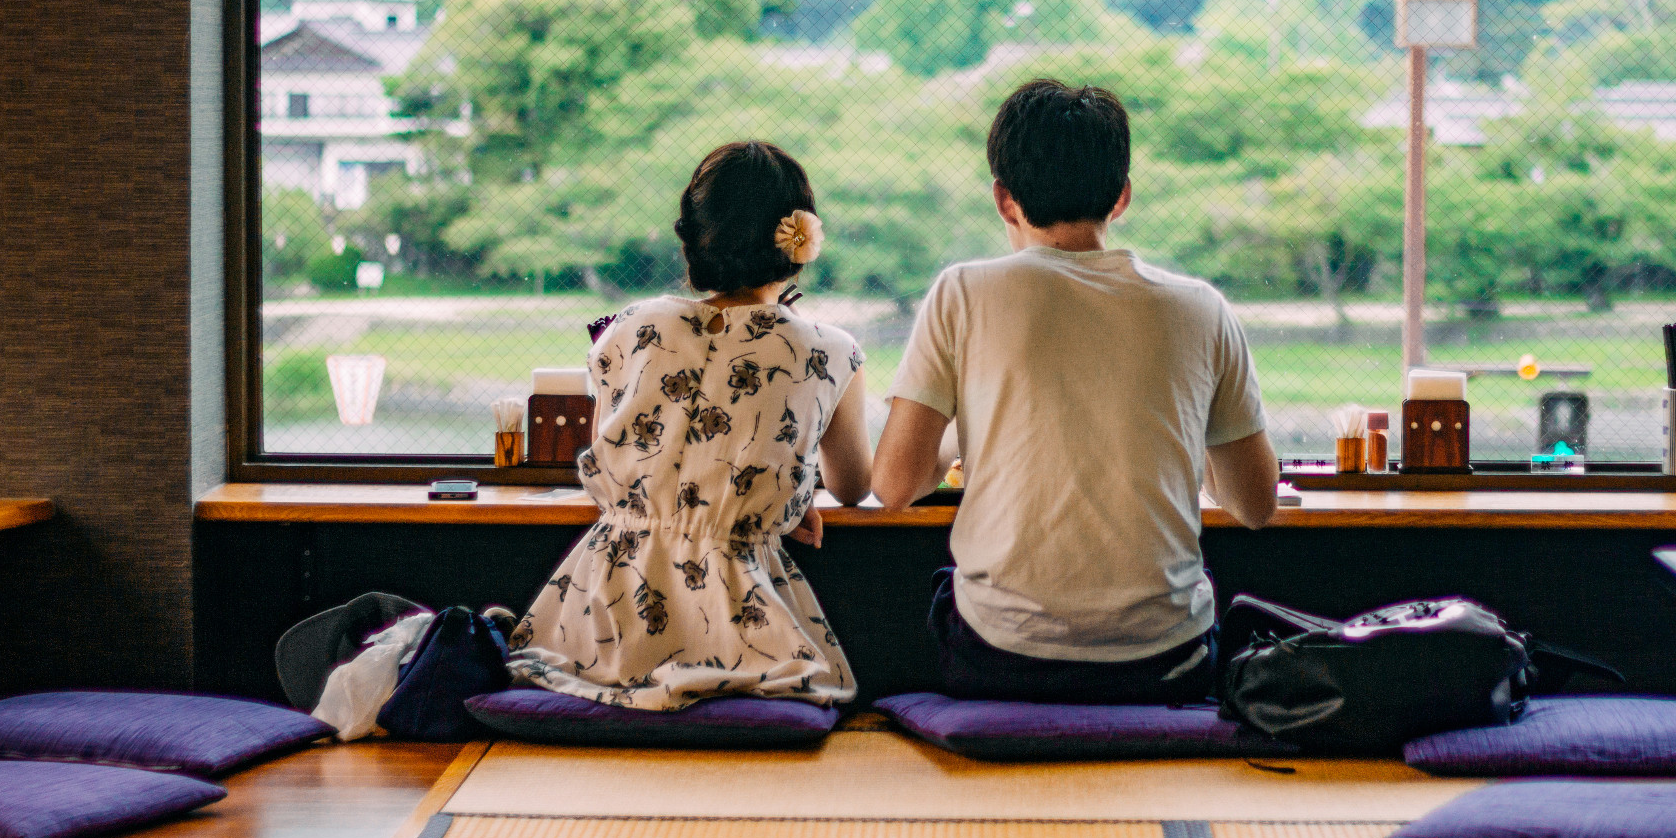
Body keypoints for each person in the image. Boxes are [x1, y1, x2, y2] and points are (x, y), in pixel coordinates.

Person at [871, 78, 1279, 704]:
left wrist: (972, 428)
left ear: (1004, 200)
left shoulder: (962, 293)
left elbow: (894, 486)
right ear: (1122, 197)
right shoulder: (1201, 309)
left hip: (1001, 657)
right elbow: (1255, 503)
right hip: (1168, 661)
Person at [508, 141, 871, 710]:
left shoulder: (631, 327)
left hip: (603, 608)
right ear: (801, 236)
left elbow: (622, 448)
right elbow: (852, 485)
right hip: (736, 617)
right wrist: (781, 494)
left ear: (695, 236)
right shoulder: (825, 349)